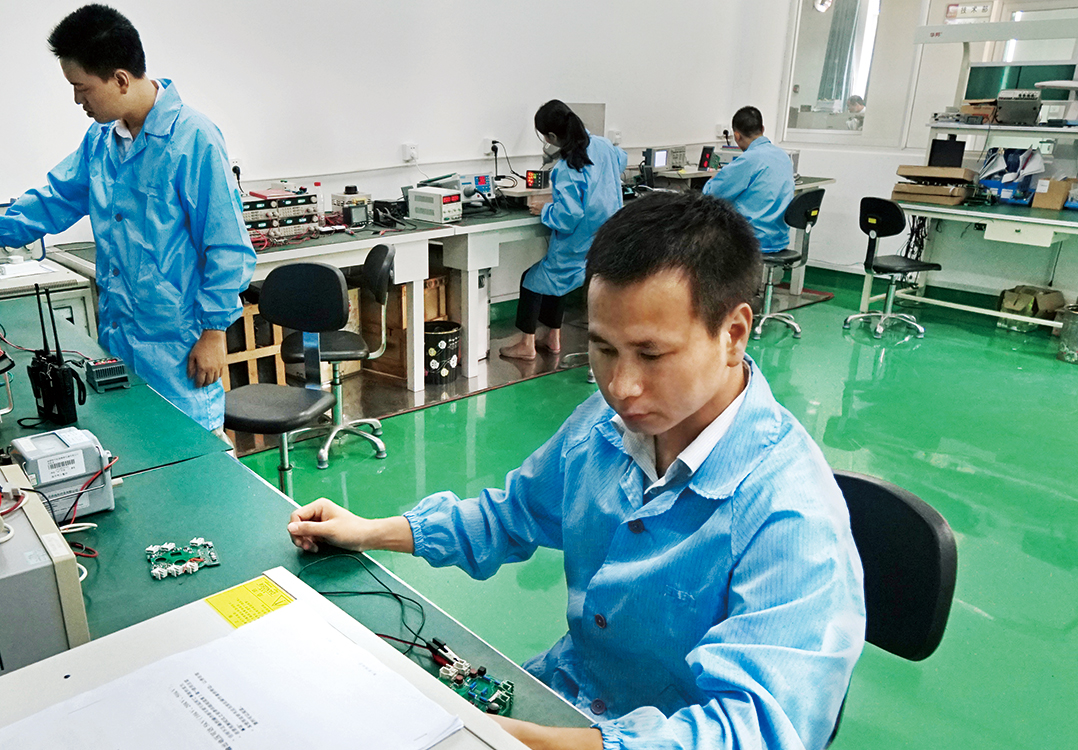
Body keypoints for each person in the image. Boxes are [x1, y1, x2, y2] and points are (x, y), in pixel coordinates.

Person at [287, 191, 864, 750]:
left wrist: (534, 742)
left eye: (651, 354)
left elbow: (757, 731)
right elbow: (510, 515)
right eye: (604, 348)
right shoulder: (603, 430)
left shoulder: (791, 513)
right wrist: (370, 530)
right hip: (566, 696)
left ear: (733, 334)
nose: (621, 387)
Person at [0, 4, 254, 432]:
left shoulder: (194, 140)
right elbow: (58, 196)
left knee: (195, 450)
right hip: (121, 335)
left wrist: (214, 332)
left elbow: (227, 246)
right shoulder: (102, 139)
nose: (78, 100)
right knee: (136, 440)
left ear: (121, 80)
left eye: (82, 88)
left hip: (179, 343)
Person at [502, 100, 627, 362]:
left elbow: (569, 217)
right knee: (554, 280)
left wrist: (545, 209)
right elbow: (621, 160)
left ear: (551, 136)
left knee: (533, 279)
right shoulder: (604, 146)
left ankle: (526, 345)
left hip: (578, 246)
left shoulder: (567, 167)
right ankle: (553, 337)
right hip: (606, 242)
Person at [703, 107, 795, 255]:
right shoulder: (783, 156)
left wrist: (713, 180)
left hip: (750, 241)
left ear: (737, 135)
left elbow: (711, 195)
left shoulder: (749, 160)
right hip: (779, 240)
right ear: (762, 129)